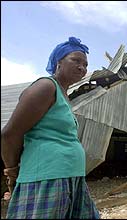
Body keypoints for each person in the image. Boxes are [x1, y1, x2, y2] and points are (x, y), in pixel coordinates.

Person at [1, 37, 101, 219]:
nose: (82, 67)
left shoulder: (64, 94)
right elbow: (9, 134)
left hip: (71, 177)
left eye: (85, 64)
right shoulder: (45, 87)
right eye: (75, 60)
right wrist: (12, 171)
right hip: (47, 178)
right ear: (58, 62)